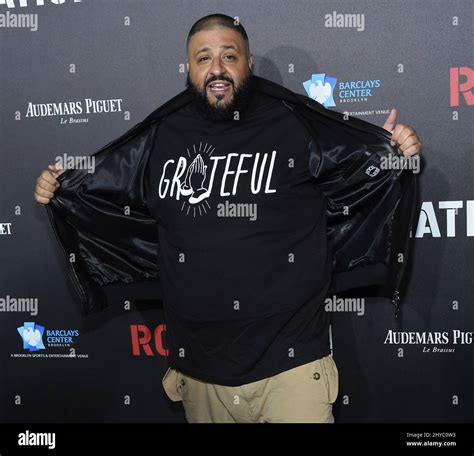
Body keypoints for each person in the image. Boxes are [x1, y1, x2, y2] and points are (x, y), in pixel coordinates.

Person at [34, 14, 422, 423]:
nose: (216, 68)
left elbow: (357, 172)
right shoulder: (160, 136)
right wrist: (58, 188)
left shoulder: (293, 121)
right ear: (188, 68)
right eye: (203, 58)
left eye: (228, 55)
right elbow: (107, 188)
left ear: (248, 62)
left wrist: (391, 151)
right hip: (202, 374)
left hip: (292, 367)